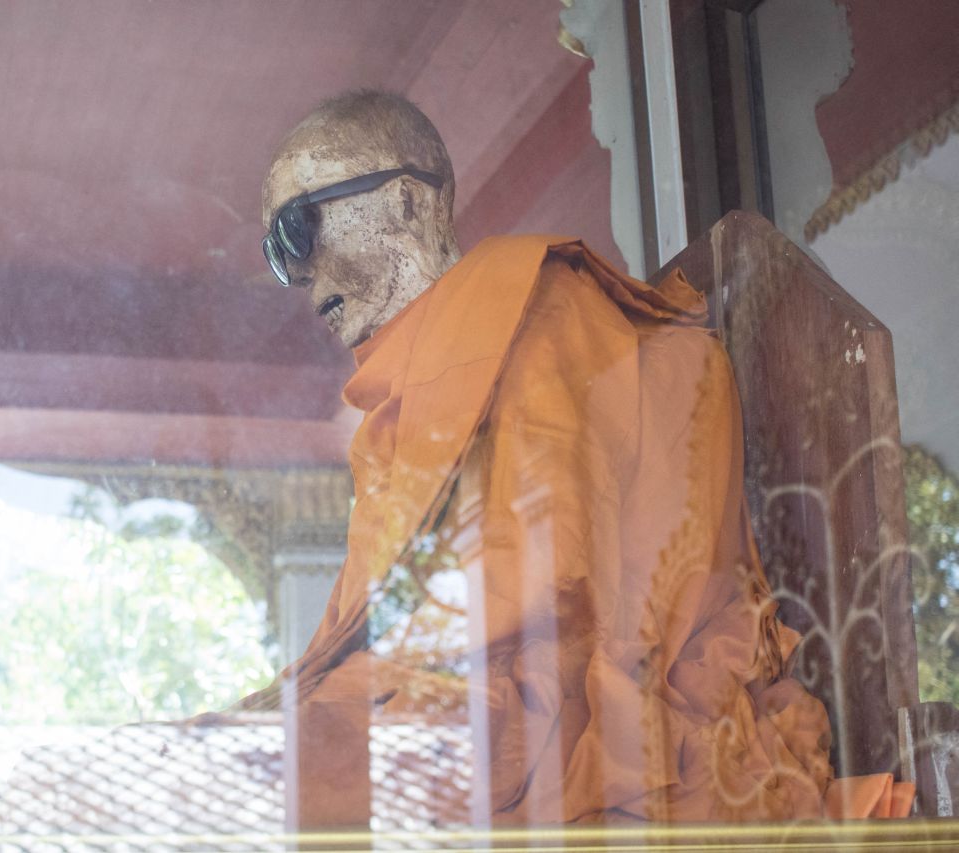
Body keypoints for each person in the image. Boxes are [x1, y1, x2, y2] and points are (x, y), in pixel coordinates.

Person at [237, 90, 912, 825]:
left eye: (299, 229)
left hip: (551, 705)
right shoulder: (402, 400)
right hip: (449, 692)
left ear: (406, 202)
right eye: (279, 256)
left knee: (244, 781)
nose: (300, 277)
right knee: (219, 761)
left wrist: (351, 698)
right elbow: (366, 623)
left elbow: (555, 587)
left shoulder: (539, 315)